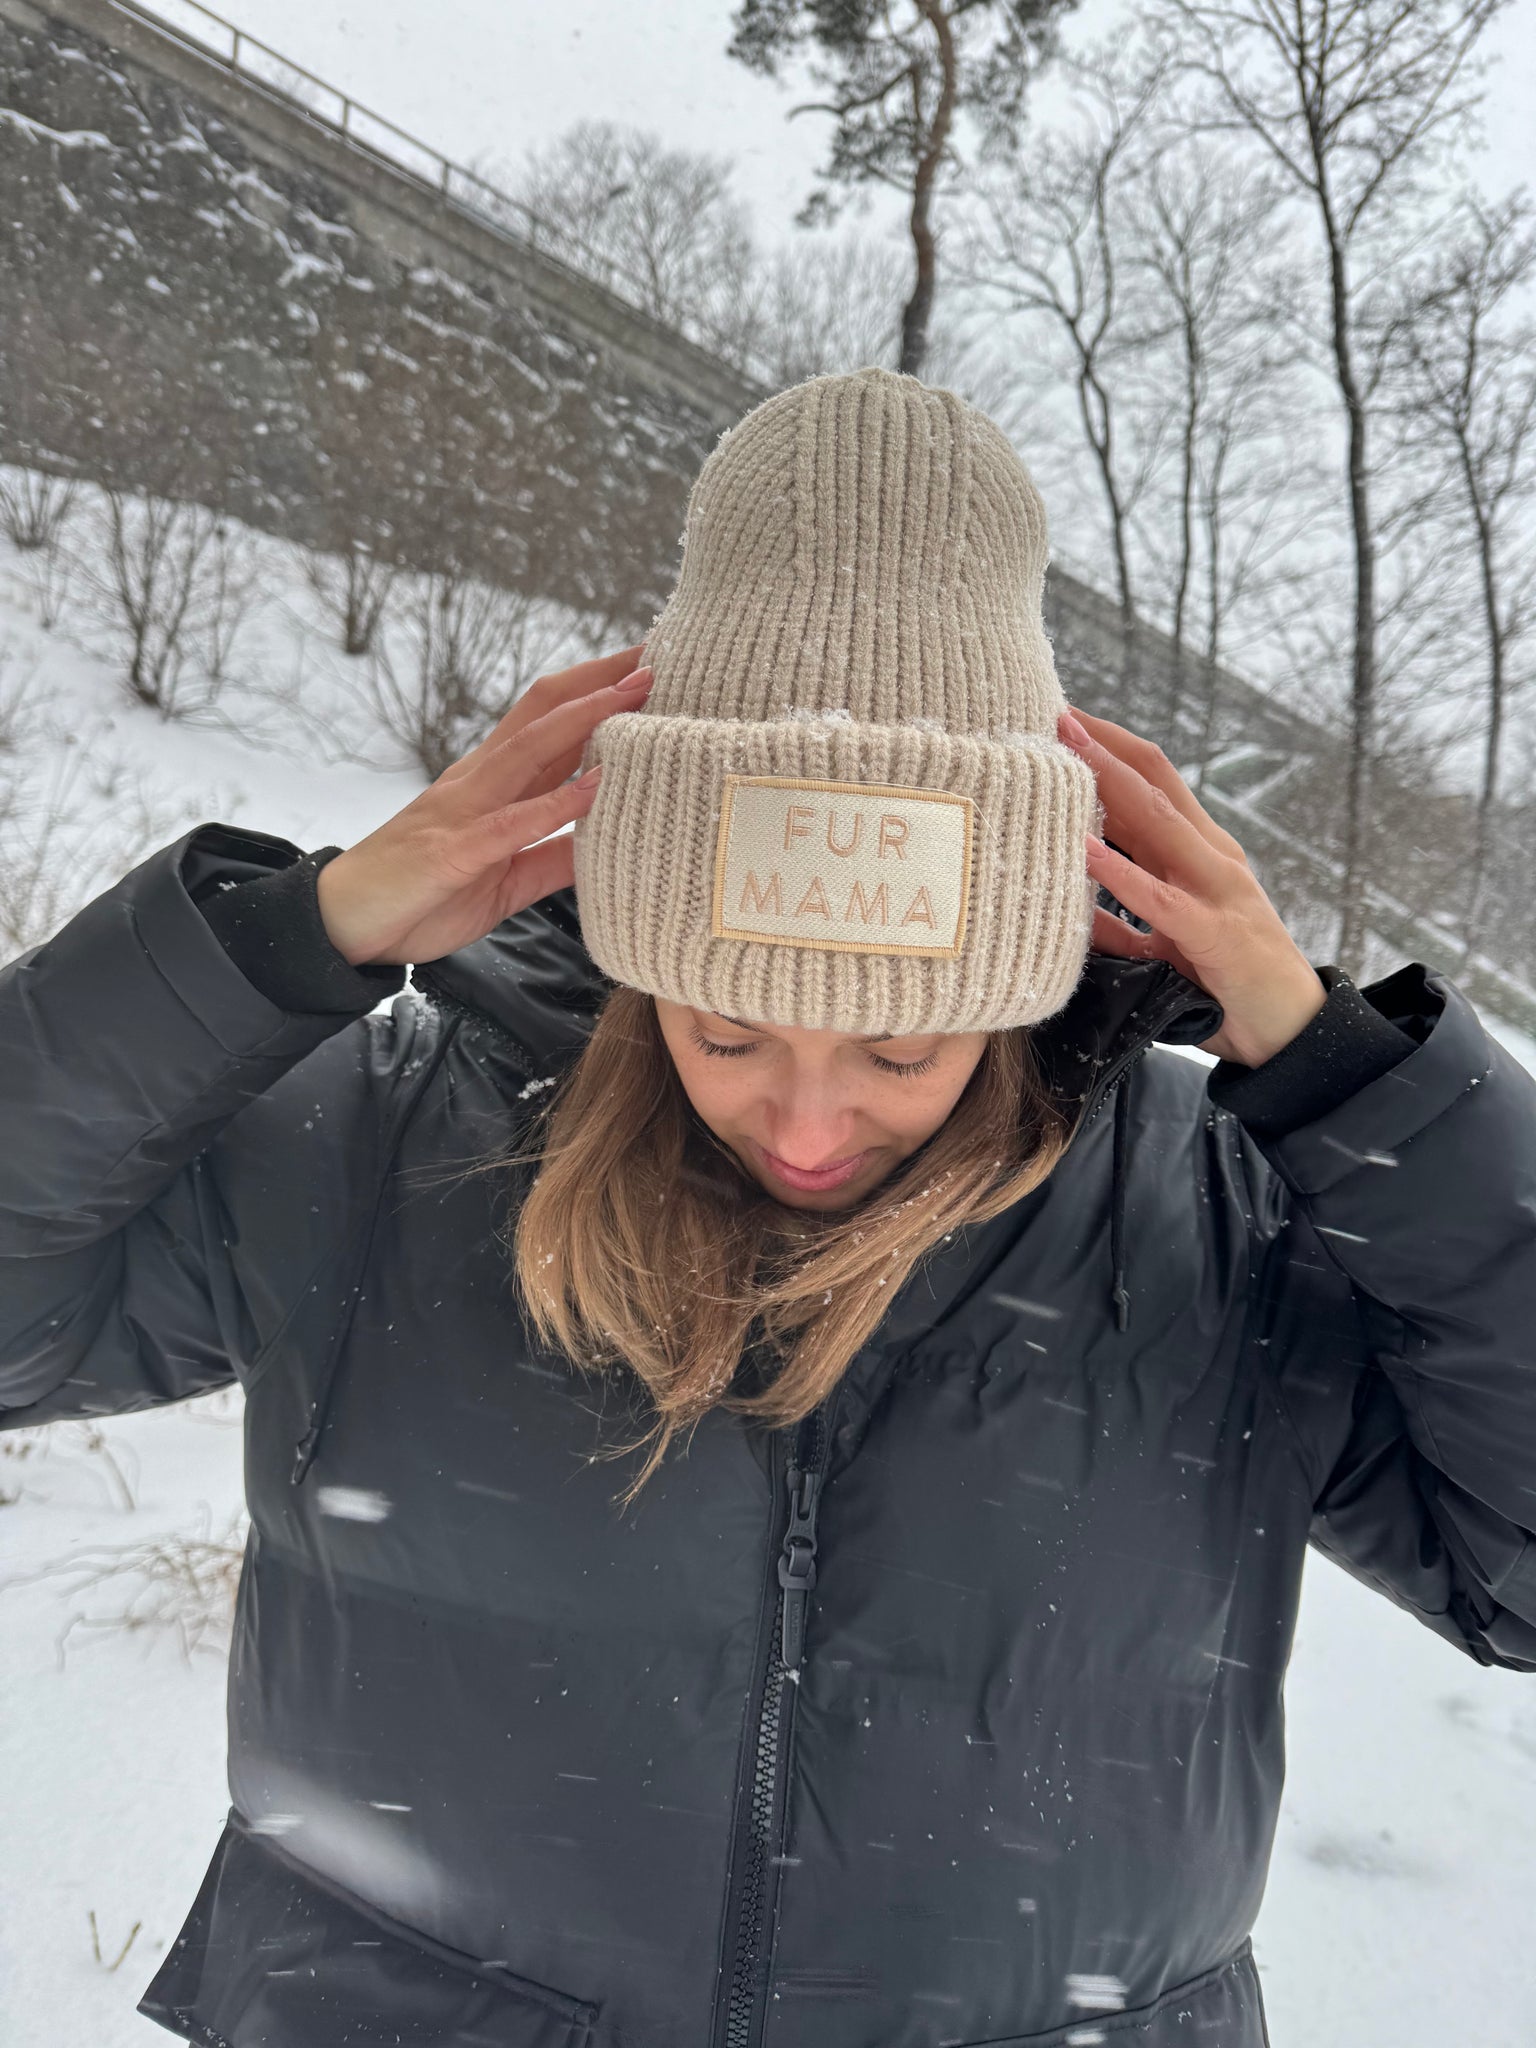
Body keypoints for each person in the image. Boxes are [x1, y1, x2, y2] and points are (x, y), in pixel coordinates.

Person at [1, 366, 1532, 2048]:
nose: (806, 1123)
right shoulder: (390, 1138)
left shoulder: (1225, 1214)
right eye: (726, 1030)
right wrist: (294, 943)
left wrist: (1353, 1085)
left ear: (1020, 980)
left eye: (901, 1046)